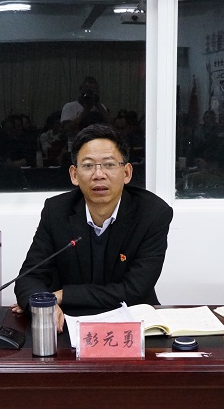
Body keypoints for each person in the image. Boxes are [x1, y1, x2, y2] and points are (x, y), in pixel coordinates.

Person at [13, 124, 173, 327]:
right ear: (74, 174)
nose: (99, 174)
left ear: (126, 173)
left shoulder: (152, 214)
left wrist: (62, 295)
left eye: (109, 164)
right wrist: (44, 305)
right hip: (70, 322)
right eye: (88, 166)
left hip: (132, 322)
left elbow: (134, 290)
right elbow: (28, 279)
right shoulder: (56, 211)